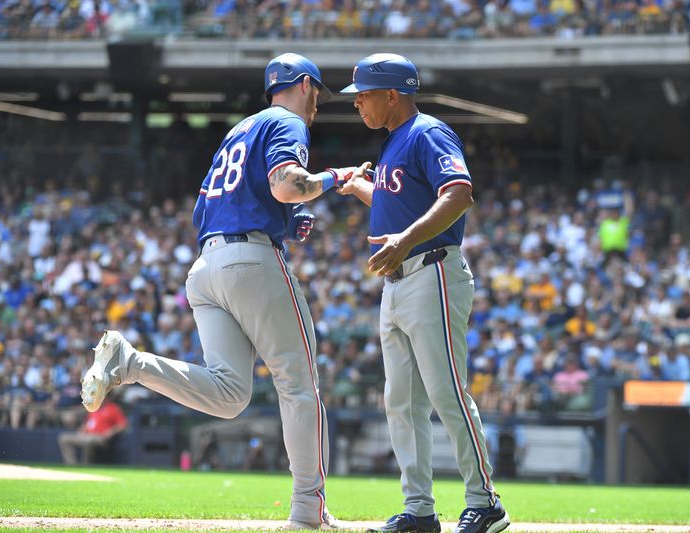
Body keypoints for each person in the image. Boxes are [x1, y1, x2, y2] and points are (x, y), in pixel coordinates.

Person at [80, 53, 360, 530]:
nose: (317, 105)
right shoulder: (287, 121)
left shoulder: (240, 130)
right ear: (307, 85)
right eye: (318, 94)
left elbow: (218, 205)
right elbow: (289, 185)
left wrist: (289, 222)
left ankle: (130, 363)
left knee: (230, 395)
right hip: (250, 263)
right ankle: (308, 509)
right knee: (299, 386)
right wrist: (337, 178)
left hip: (207, 266)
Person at [336, 53, 509, 533]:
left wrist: (405, 240)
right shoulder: (394, 143)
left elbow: (459, 193)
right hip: (398, 280)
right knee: (401, 402)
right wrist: (362, 190)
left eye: (363, 95)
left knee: (447, 392)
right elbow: (402, 201)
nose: (357, 105)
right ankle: (419, 511)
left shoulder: (426, 132)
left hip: (432, 272)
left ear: (392, 95)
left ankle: (486, 501)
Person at [58, 396, 127, 465]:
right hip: (87, 436)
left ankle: (85, 465)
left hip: (101, 437)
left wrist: (111, 431)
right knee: (64, 438)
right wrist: (81, 431)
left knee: (89, 440)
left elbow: (123, 424)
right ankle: (72, 465)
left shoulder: (112, 408)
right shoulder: (94, 409)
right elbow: (87, 423)